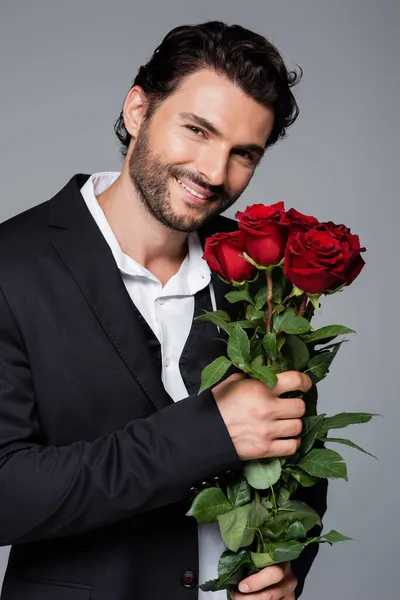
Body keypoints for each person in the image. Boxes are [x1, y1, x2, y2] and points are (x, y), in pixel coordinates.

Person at [0, 21, 327, 600]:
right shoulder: (12, 264)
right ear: (137, 110)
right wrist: (208, 433)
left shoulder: (262, 273)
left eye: (243, 154)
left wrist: (288, 569)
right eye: (197, 130)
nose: (214, 172)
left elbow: (296, 451)